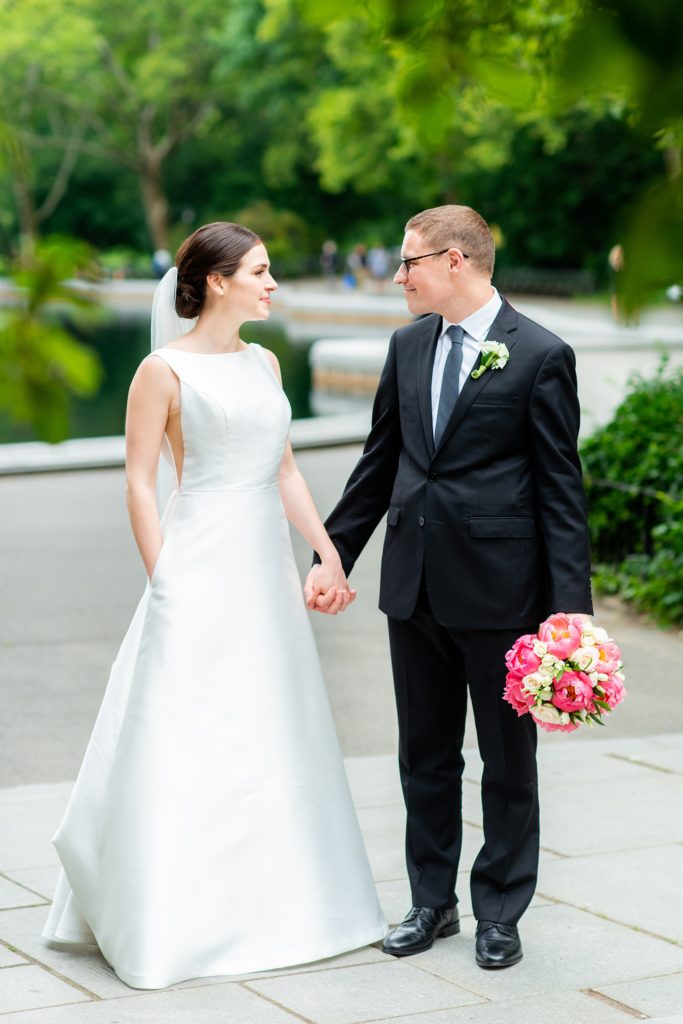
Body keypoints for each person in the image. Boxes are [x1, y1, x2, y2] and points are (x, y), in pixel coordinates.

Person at [42, 222, 386, 989]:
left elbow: (286, 469)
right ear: (219, 281)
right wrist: (163, 575)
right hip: (197, 560)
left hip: (263, 567)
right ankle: (170, 915)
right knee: (186, 722)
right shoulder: (160, 370)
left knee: (271, 718)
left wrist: (326, 549)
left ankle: (286, 904)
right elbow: (137, 481)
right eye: (261, 272)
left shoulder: (264, 362)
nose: (273, 284)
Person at [305, 205, 592, 970]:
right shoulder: (405, 347)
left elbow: (561, 492)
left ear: (456, 261)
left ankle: (501, 909)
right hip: (414, 587)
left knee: (506, 762)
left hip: (503, 595)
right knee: (424, 756)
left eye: (410, 262)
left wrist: (571, 619)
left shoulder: (539, 354)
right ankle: (430, 903)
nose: (397, 276)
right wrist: (331, 557)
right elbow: (379, 464)